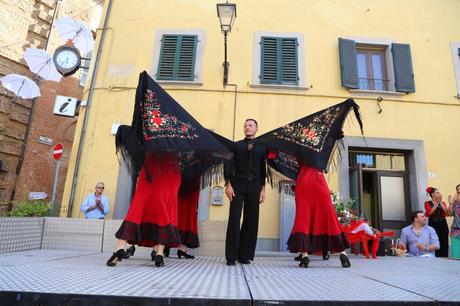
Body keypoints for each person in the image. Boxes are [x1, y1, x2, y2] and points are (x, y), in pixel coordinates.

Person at [256, 99, 363, 268]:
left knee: (303, 217)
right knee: (329, 216)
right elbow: (334, 134)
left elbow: (275, 151)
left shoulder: (295, 142)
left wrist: (262, 143)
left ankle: (304, 255)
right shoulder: (320, 142)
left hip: (304, 182)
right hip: (319, 181)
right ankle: (342, 254)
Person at [224, 119, 266, 266]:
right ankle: (231, 256)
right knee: (235, 218)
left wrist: (263, 189)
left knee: (251, 220)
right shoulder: (236, 146)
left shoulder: (261, 148)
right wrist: (228, 184)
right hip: (238, 185)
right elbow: (228, 164)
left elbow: (263, 170)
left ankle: (245, 255)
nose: (247, 128)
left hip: (255, 186)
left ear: (256, 129)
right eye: (245, 126)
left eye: (250, 125)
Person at [424, 187, 449, 257]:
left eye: (439, 193)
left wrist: (440, 202)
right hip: (433, 224)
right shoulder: (427, 203)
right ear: (432, 194)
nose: (439, 194)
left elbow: (446, 213)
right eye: (437, 193)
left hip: (443, 223)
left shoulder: (442, 202)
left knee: (444, 241)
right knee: (434, 241)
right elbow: (429, 213)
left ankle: (445, 257)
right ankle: (436, 257)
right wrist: (436, 204)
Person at [447, 184, 460, 258]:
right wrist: (451, 204)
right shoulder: (455, 202)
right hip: (455, 231)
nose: (458, 191)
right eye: (457, 189)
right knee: (456, 255)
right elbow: (449, 214)